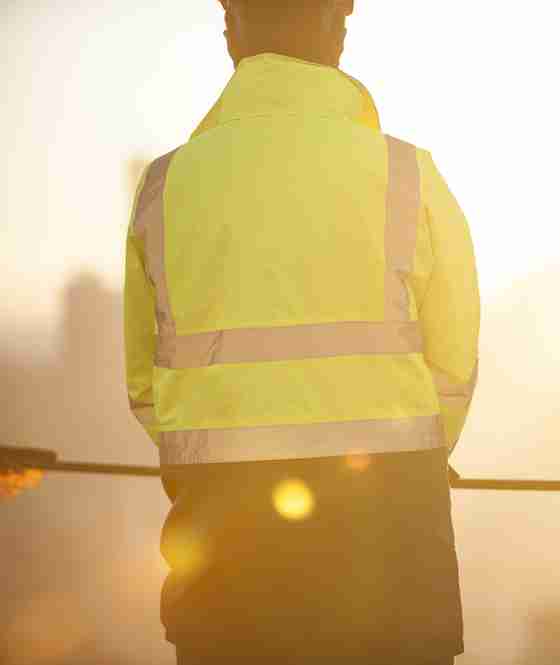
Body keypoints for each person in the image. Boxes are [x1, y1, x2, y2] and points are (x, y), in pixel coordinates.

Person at [122, 1, 480, 663]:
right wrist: (413, 448)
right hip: (392, 556)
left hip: (225, 569)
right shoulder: (410, 176)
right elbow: (453, 368)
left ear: (231, 26)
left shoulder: (162, 187)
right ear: (337, 27)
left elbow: (148, 386)